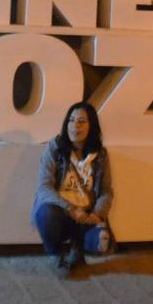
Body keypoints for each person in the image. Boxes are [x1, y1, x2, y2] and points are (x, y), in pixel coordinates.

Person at [32, 101, 114, 275]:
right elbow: (44, 188)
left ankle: (79, 247)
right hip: (61, 211)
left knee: (101, 243)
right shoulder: (55, 149)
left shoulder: (100, 155)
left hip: (87, 214)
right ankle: (56, 253)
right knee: (46, 214)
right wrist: (70, 208)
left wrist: (97, 214)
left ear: (92, 126)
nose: (74, 126)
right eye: (71, 120)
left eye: (82, 121)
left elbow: (106, 190)